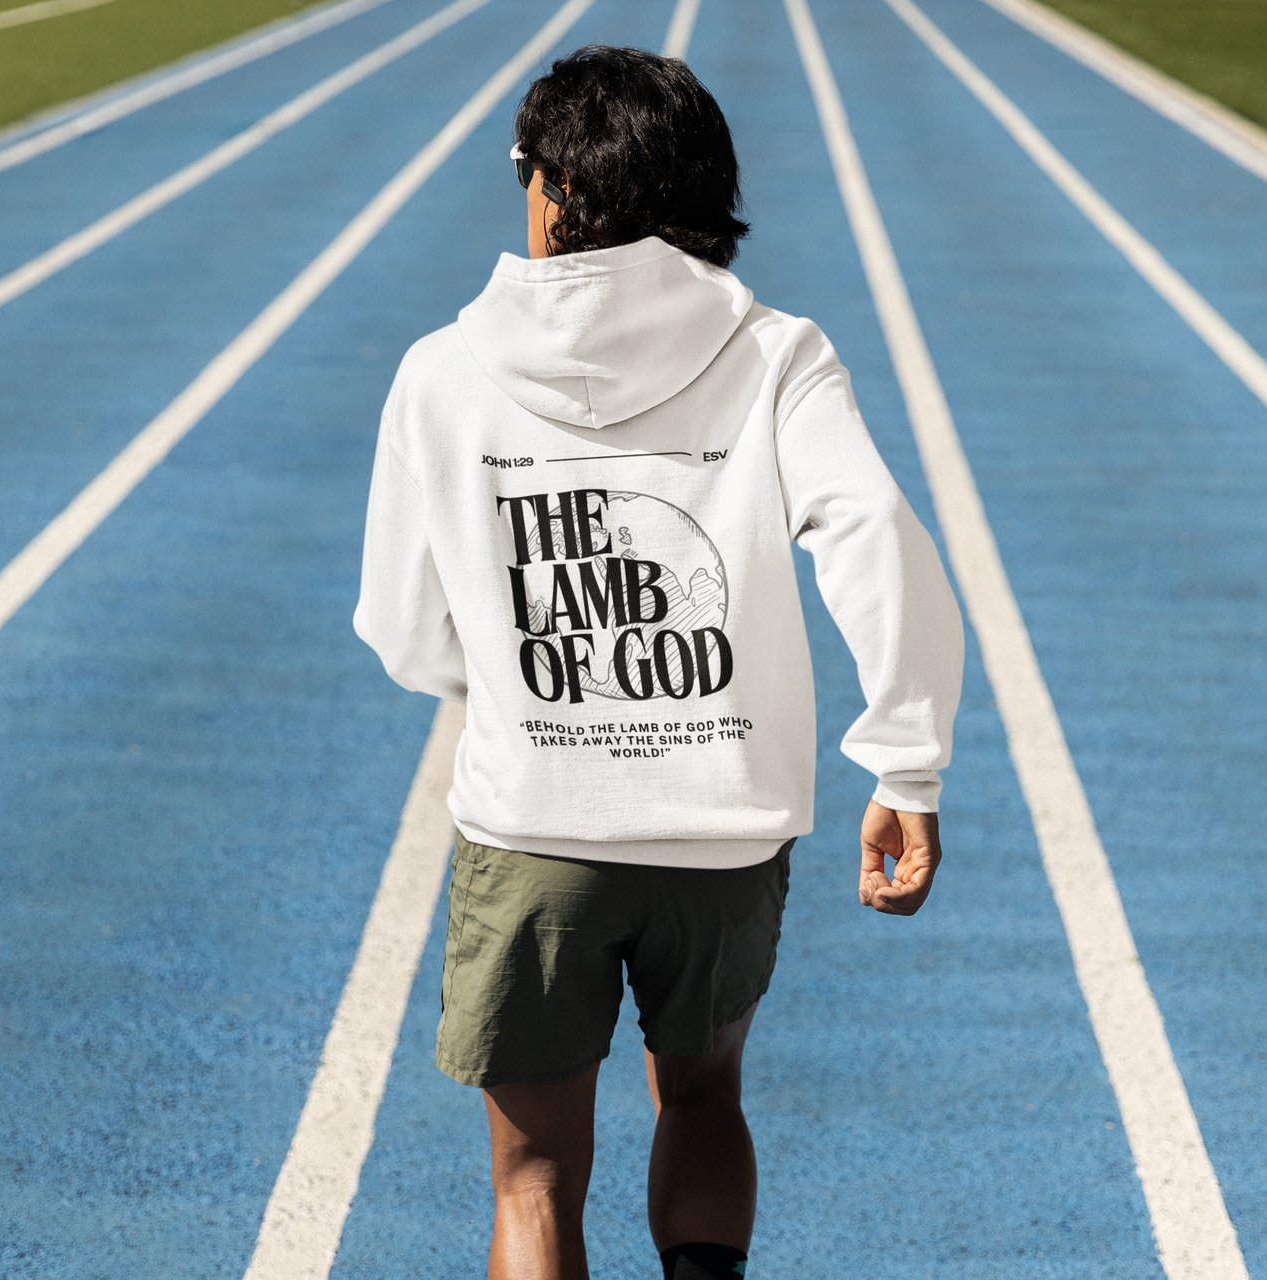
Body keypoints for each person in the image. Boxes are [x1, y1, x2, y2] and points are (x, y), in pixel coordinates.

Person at [353, 44, 965, 1280]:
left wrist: (538, 691)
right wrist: (907, 765)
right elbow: (875, 536)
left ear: (552, 186)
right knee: (702, 1098)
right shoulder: (777, 353)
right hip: (722, 833)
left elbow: (409, 633)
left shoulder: (442, 373)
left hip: (534, 833)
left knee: (532, 1176)